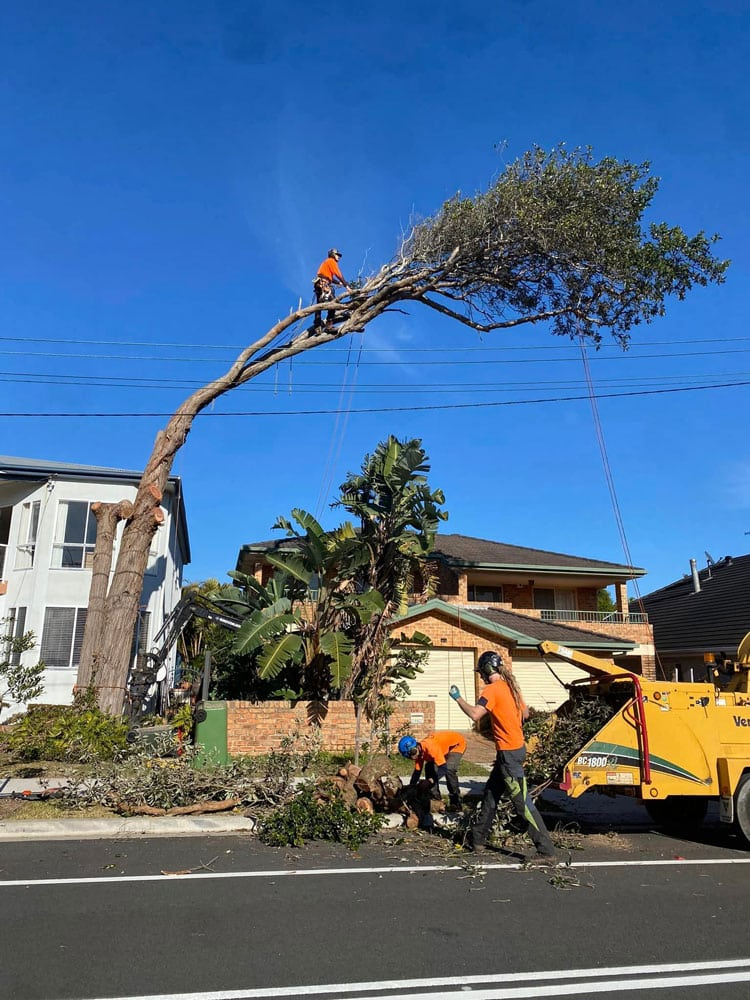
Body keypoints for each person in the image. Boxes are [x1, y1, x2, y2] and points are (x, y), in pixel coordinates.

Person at [449, 650, 557, 863]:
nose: (480, 675)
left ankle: (546, 851)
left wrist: (457, 697)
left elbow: (474, 714)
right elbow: (525, 714)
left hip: (508, 753)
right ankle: (477, 839)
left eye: (481, 672)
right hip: (515, 749)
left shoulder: (493, 690)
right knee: (491, 795)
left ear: (487, 669)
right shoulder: (512, 688)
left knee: (522, 803)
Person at [398, 732, 467, 810]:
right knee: (429, 768)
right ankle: (436, 799)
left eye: (412, 753)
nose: (413, 757)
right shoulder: (419, 753)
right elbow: (417, 772)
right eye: (409, 756)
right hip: (441, 748)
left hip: (456, 745)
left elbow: (443, 768)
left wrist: (430, 781)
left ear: (415, 747)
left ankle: (455, 802)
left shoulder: (430, 747)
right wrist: (411, 787)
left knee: (449, 769)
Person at [312, 248, 351, 330]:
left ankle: (317, 324)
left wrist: (338, 283)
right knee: (333, 302)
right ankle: (329, 325)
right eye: (337, 255)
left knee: (319, 305)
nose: (339, 257)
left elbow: (329, 277)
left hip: (320, 284)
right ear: (333, 254)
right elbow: (338, 274)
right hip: (324, 284)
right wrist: (346, 285)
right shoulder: (331, 261)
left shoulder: (326, 263)